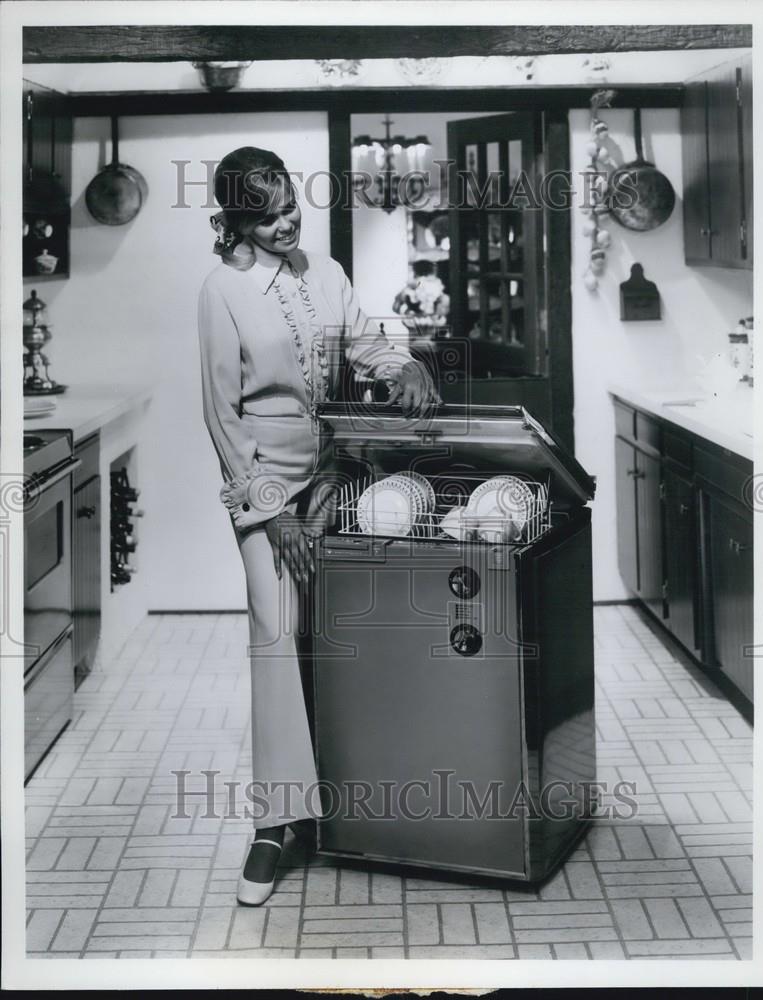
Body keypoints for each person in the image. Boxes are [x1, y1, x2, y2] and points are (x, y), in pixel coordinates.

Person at [197, 146, 438, 906]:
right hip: (265, 479)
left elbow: (366, 343)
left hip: (333, 471)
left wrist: (403, 365)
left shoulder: (325, 271)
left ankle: (354, 793)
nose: (284, 221)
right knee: (276, 635)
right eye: (264, 214)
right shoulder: (221, 291)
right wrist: (271, 513)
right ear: (234, 220)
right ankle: (278, 824)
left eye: (289, 205)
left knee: (341, 632)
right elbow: (221, 413)